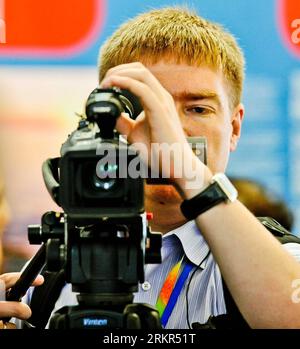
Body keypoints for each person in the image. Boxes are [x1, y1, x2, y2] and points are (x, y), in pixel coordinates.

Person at [19, 7, 300, 329]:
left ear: (234, 128)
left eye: (197, 108)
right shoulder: (51, 273)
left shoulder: (282, 261)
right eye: (148, 105)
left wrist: (187, 170)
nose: (170, 129)